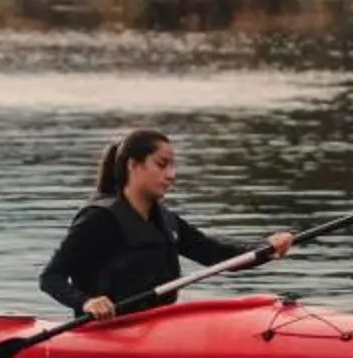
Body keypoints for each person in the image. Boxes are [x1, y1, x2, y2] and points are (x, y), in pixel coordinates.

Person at [37, 128, 294, 317]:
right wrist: (86, 302)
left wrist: (267, 247)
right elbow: (51, 277)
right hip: (106, 330)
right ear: (134, 166)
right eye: (162, 165)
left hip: (157, 325)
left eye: (173, 165)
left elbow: (216, 254)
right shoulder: (99, 218)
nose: (171, 175)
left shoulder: (166, 219)